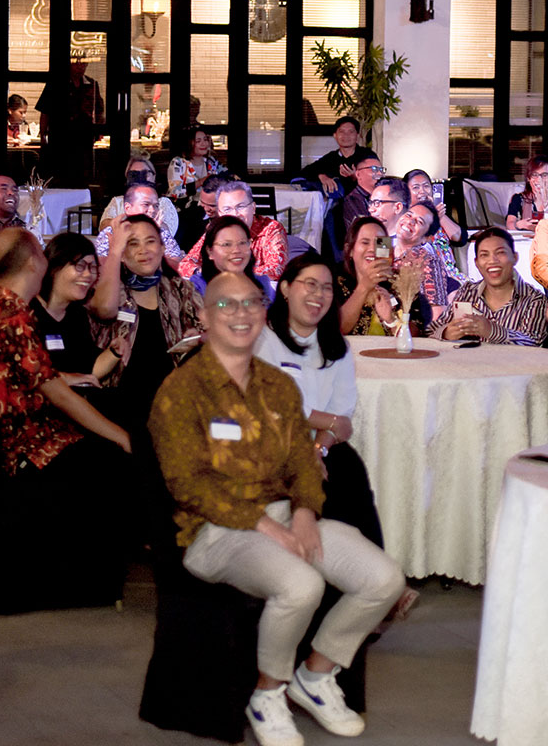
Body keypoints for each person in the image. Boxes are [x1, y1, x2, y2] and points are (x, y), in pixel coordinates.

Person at [148, 270, 406, 746]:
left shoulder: (277, 387)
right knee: (302, 584)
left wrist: (305, 514)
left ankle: (315, 674)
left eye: (251, 303)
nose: (242, 313)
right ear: (205, 317)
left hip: (287, 515)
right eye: (228, 305)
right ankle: (267, 692)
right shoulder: (181, 392)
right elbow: (188, 485)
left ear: (264, 314)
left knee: (384, 580)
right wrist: (266, 525)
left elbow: (304, 461)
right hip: (214, 532)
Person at [0, 228, 135, 614]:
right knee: (116, 451)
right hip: (32, 439)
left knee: (112, 416)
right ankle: (88, 581)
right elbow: (56, 394)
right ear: (35, 263)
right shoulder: (16, 317)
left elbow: (44, 379)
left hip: (20, 426)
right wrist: (119, 436)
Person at [256, 254, 385, 549]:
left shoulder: (337, 346)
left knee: (348, 468)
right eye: (310, 285)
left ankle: (376, 574)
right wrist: (330, 425)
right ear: (286, 289)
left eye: (326, 288)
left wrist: (320, 448)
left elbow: (343, 408)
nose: (319, 294)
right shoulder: (265, 339)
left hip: (318, 445)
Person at [90, 213, 205, 430]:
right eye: (133, 244)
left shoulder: (180, 290)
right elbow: (103, 310)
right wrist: (114, 251)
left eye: (150, 241)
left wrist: (197, 339)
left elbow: (207, 332)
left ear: (162, 248)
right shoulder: (111, 290)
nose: (143, 250)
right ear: (123, 254)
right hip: (118, 403)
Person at [426, 228, 548, 346]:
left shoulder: (534, 299)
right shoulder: (468, 292)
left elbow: (533, 343)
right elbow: (431, 330)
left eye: (500, 253)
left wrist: (492, 331)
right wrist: (446, 333)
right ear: (477, 263)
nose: (492, 261)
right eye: (484, 255)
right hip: (467, 365)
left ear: (515, 258)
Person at [31, 233, 116, 392]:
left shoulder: (77, 315)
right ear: (55, 267)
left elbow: (89, 369)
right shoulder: (28, 313)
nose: (88, 275)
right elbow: (28, 373)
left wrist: (115, 352)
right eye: (80, 266)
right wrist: (67, 378)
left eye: (92, 267)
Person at [179, 179, 288, 280]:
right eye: (227, 209)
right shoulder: (215, 230)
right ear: (220, 214)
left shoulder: (271, 229)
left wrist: (226, 272)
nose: (235, 214)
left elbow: (276, 269)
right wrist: (203, 272)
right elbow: (185, 264)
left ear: (253, 208)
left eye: (241, 207)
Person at [336, 217, 415, 337]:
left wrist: (391, 320)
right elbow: (336, 329)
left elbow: (418, 336)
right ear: (350, 250)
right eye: (365, 242)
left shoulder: (403, 282)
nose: (372, 249)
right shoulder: (333, 281)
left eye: (380, 243)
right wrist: (364, 287)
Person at [36, 58, 105, 186]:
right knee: (60, 177)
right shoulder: (56, 84)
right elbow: (45, 111)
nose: (80, 67)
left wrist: (99, 131)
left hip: (84, 141)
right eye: (77, 64)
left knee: (82, 177)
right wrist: (43, 135)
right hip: (60, 140)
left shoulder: (91, 84)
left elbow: (99, 111)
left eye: (84, 64)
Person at [393, 203, 461, 318]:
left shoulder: (427, 263)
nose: (410, 221)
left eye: (419, 222)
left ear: (426, 238)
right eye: (409, 215)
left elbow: (436, 314)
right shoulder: (383, 245)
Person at [95, 178, 187, 263]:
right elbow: (101, 267)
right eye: (146, 204)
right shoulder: (110, 234)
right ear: (128, 208)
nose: (152, 210)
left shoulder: (162, 233)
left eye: (156, 206)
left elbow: (176, 263)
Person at [190, 215, 278, 303]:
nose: (236, 250)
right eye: (226, 244)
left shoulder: (262, 283)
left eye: (242, 243)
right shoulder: (197, 287)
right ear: (210, 251)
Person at [302, 115, 378, 197]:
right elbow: (305, 172)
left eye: (351, 132)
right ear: (335, 135)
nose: (346, 135)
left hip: (363, 204)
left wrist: (356, 177)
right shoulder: (330, 158)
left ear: (358, 136)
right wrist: (322, 176)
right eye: (342, 131)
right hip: (336, 207)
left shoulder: (367, 155)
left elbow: (377, 179)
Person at [101, 157, 181, 235]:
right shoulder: (118, 202)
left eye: (145, 173)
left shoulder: (163, 203)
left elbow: (169, 233)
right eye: (134, 174)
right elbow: (104, 228)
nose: (140, 177)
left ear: (154, 176)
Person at [334, 156, 386, 252]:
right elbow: (366, 232)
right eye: (374, 169)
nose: (379, 173)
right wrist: (384, 254)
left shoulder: (385, 199)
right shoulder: (352, 200)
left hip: (383, 248)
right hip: (367, 252)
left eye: (381, 170)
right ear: (358, 174)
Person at [403, 168, 466, 244]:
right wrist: (433, 222)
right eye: (416, 187)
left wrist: (439, 216)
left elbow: (460, 239)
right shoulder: (404, 217)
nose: (422, 191)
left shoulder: (438, 211)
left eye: (426, 186)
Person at [166, 126, 226, 200]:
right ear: (188, 144)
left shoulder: (211, 162)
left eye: (205, 139)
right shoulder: (178, 163)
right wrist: (201, 181)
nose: (204, 144)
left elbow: (228, 176)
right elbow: (175, 192)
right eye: (198, 141)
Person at [177, 172, 228, 254]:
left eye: (212, 205)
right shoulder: (187, 217)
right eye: (203, 203)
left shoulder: (234, 219)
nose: (207, 209)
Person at [506, 158, 548, 233]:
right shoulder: (518, 198)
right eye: (534, 175)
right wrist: (518, 225)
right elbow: (509, 224)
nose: (539, 179)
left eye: (544, 175)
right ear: (528, 178)